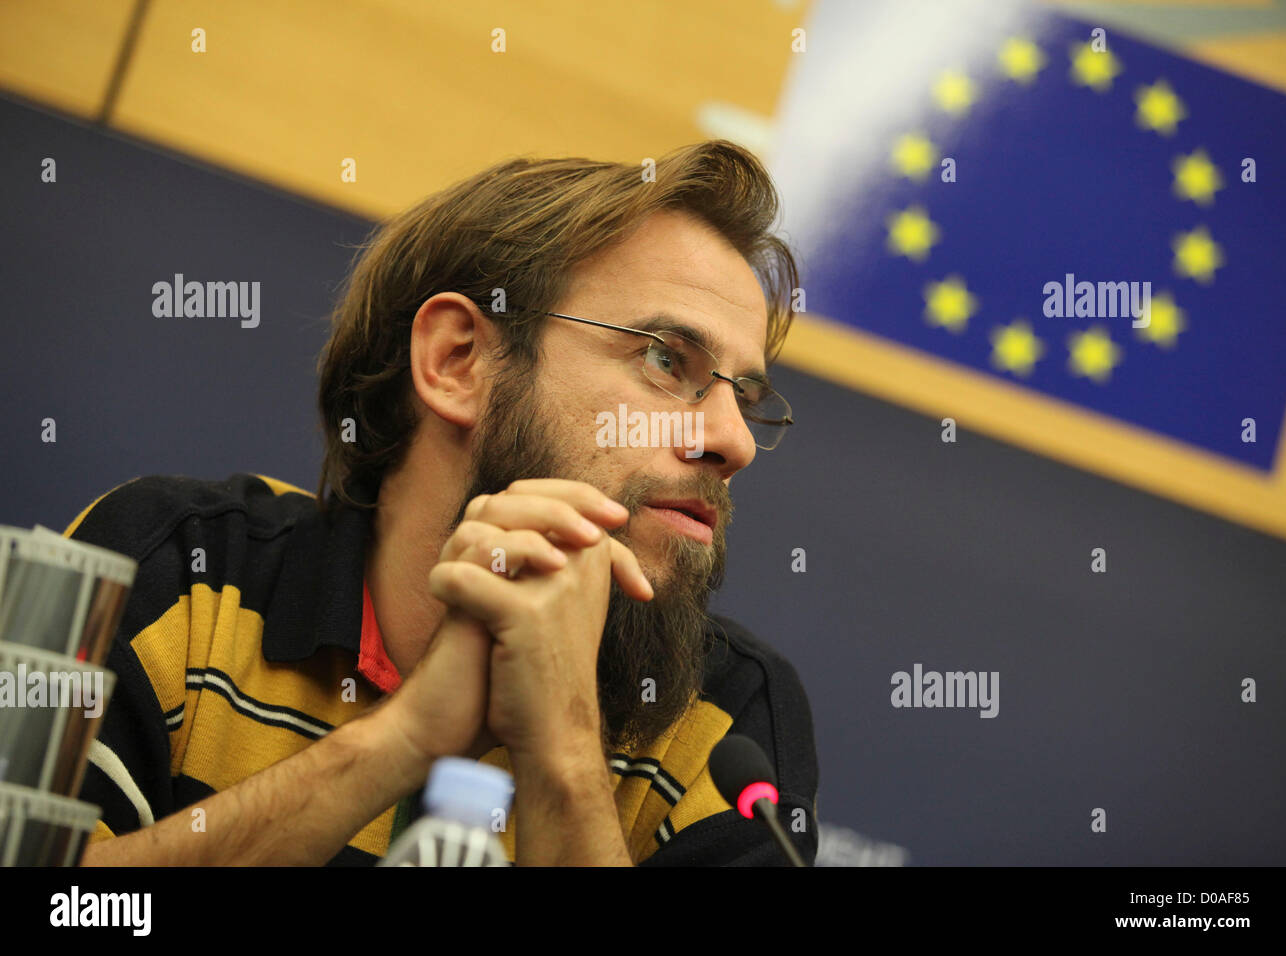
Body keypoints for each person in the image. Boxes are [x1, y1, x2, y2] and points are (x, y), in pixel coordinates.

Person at [65, 140, 819, 865]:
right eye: (664, 358)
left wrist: (563, 749)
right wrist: (404, 739)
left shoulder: (723, 722)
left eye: (745, 397)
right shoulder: (185, 575)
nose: (734, 441)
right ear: (458, 361)